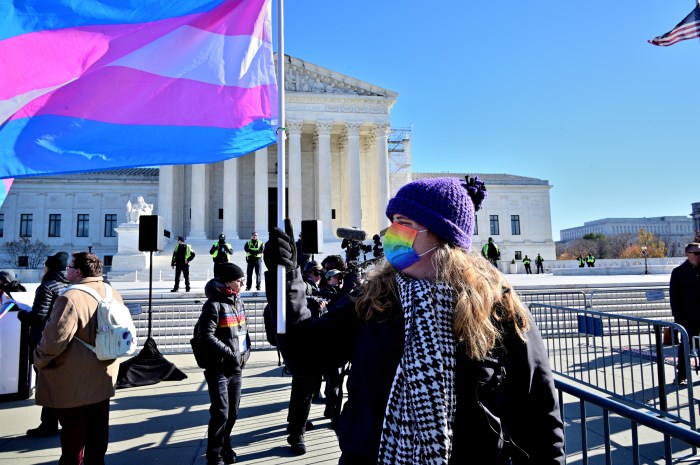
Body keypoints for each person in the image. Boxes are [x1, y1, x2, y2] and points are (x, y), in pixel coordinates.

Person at [264, 176, 565, 464]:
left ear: (441, 236)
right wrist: (287, 277)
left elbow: (539, 416)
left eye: (404, 224)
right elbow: (304, 356)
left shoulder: (498, 310)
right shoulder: (372, 301)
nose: (392, 234)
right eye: (393, 223)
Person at [33, 252, 122, 465]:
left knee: (73, 434)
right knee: (98, 432)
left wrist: (38, 359)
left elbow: (54, 340)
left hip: (75, 380)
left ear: (78, 271)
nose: (67, 270)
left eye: (70, 266)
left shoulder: (70, 297)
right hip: (104, 374)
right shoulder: (112, 292)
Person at [195, 262, 251, 465]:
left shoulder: (238, 301)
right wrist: (230, 353)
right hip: (218, 368)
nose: (243, 282)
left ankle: (227, 445)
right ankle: (214, 454)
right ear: (227, 282)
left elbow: (242, 331)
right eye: (239, 280)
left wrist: (246, 352)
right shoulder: (213, 305)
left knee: (233, 413)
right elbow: (205, 336)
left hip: (236, 367)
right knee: (221, 413)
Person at [17, 252, 70, 438]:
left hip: (44, 339)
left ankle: (48, 424)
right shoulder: (69, 286)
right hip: (63, 341)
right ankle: (57, 422)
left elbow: (39, 315)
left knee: (46, 383)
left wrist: (22, 315)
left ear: (49, 267)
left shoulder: (47, 286)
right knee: (58, 382)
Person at [670, 242, 700, 385]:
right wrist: (679, 319)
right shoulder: (678, 272)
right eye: (697, 253)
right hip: (688, 318)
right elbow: (674, 298)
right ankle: (682, 374)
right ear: (688, 254)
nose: (699, 256)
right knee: (685, 347)